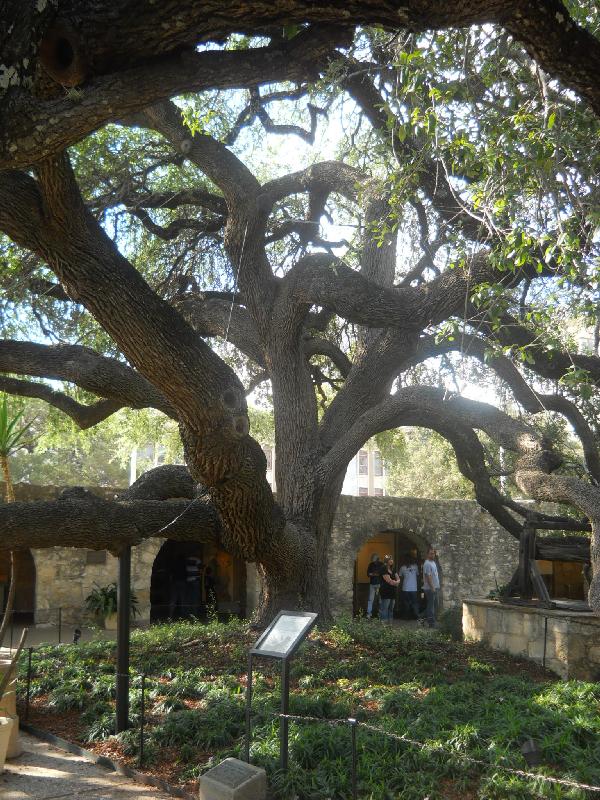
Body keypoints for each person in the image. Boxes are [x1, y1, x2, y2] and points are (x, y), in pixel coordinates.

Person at [422, 546, 440, 628]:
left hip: (435, 587)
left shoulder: (433, 562)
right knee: (431, 606)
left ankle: (421, 618)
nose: (432, 555)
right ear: (427, 554)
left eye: (433, 553)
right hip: (430, 588)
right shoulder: (427, 564)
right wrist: (432, 588)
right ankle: (431, 623)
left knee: (433, 605)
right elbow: (428, 577)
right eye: (431, 554)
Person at [379, 555, 400, 623]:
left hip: (392, 591)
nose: (391, 561)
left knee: (391, 608)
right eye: (390, 559)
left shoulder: (393, 569)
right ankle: (384, 624)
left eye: (392, 559)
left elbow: (398, 579)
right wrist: (395, 582)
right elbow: (389, 581)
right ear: (386, 561)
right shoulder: (383, 568)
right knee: (385, 608)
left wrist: (396, 582)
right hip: (385, 591)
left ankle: (390, 623)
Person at [399, 554, 420, 619]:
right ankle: (407, 616)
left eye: (410, 559)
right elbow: (400, 578)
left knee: (414, 603)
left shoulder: (415, 567)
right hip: (405, 588)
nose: (409, 560)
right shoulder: (402, 567)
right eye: (407, 559)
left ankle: (416, 616)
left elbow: (418, 576)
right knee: (406, 603)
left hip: (413, 588)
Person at [366, 553, 384, 618]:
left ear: (377, 559)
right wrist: (376, 574)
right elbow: (368, 574)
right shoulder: (371, 565)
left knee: (380, 599)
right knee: (370, 600)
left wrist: (373, 574)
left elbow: (382, 574)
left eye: (373, 559)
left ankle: (380, 613)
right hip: (372, 584)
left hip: (380, 584)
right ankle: (369, 614)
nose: (373, 560)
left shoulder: (382, 564)